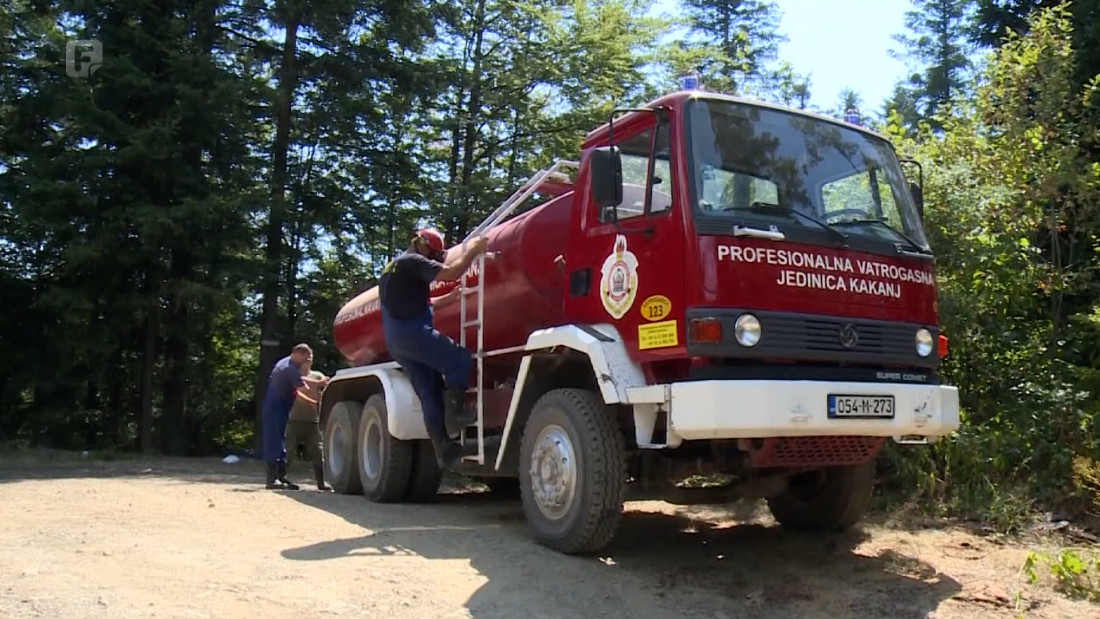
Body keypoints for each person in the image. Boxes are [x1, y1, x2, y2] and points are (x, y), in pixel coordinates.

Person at [378, 228, 488, 468]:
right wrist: (473, 251)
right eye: (434, 253)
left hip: (396, 339)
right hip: (412, 332)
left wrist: (448, 299)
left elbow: (420, 304)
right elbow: (451, 272)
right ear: (423, 245)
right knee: (458, 359)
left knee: (429, 391)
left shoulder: (393, 269)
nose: (434, 259)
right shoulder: (413, 260)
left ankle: (444, 449)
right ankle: (456, 414)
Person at [261, 343, 329, 490]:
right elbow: (302, 387)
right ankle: (271, 480)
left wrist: (317, 381)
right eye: (305, 358)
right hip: (276, 407)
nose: (306, 361)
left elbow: (301, 378)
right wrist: (314, 393)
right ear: (299, 354)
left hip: (282, 407)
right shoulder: (289, 368)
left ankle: (280, 478)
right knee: (274, 442)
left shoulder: (286, 362)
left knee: (281, 443)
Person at [285, 358, 332, 491]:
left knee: (318, 451)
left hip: (313, 421)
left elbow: (326, 387)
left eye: (310, 360)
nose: (308, 362)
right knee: (289, 451)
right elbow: (295, 391)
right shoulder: (295, 376)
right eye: (306, 360)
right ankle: (281, 477)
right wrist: (312, 401)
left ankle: (321, 482)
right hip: (294, 419)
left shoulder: (317, 375)